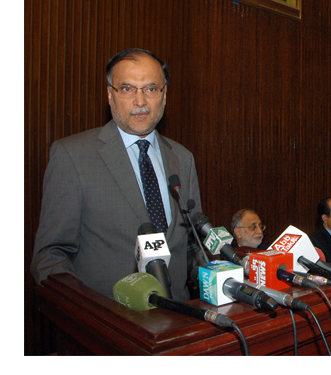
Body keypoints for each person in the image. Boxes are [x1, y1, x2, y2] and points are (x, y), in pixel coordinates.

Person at [30, 48, 203, 302]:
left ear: (164, 95)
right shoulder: (73, 155)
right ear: (110, 95)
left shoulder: (183, 158)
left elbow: (191, 246)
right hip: (106, 326)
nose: (141, 101)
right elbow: (50, 257)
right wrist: (88, 315)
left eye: (151, 89)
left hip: (178, 322)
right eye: (127, 89)